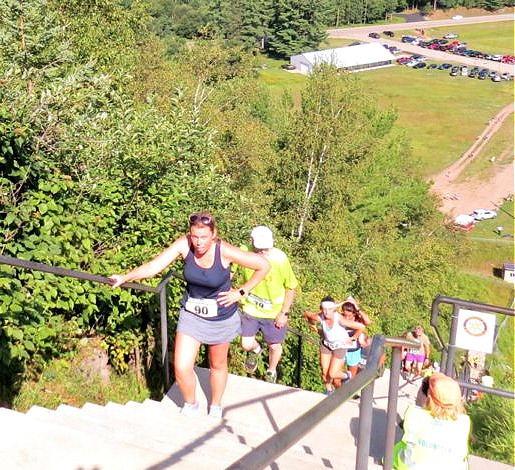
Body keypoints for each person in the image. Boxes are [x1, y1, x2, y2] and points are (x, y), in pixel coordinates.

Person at [109, 211, 270, 418]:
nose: (198, 242)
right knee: (182, 367)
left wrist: (240, 292)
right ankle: (191, 404)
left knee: (217, 364)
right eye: (194, 236)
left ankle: (216, 405)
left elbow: (263, 266)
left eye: (203, 237)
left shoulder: (225, 251)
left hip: (221, 316)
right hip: (191, 314)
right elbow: (154, 266)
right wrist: (125, 277)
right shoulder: (184, 245)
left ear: (214, 235)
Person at [237, 226, 298, 384]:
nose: (264, 252)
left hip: (273, 312)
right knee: (245, 343)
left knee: (275, 345)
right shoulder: (243, 251)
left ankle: (271, 371)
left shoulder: (280, 258)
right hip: (250, 307)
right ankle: (256, 350)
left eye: (266, 248)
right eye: (260, 248)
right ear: (251, 242)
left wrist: (284, 313)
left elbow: (291, 286)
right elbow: (231, 268)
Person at [392, 372, 470, 470]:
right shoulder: (464, 422)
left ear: (429, 395)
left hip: (411, 467)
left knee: (400, 447)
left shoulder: (414, 413)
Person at [304, 296, 366, 395]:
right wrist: (314, 327)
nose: (326, 312)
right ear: (321, 309)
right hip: (326, 344)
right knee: (325, 372)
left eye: (329, 309)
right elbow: (307, 314)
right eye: (324, 309)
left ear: (334, 309)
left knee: (332, 373)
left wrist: (354, 337)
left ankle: (347, 375)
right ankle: (329, 391)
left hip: (340, 346)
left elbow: (361, 326)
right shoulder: (320, 317)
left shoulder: (340, 319)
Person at [340, 296, 371, 380]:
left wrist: (357, 307)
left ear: (354, 313)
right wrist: (342, 303)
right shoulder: (339, 317)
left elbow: (368, 322)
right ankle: (337, 391)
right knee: (336, 375)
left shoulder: (358, 320)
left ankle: (348, 391)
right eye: (345, 315)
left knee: (351, 377)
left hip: (353, 351)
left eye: (349, 316)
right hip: (340, 349)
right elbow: (326, 312)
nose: (346, 319)